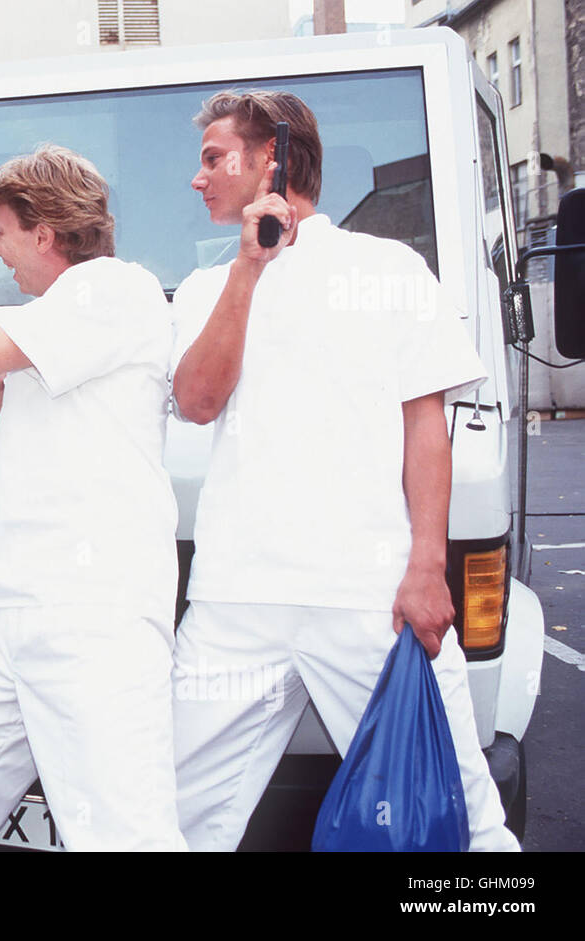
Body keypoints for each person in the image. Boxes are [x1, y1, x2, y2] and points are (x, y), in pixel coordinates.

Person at [169, 89, 520, 851]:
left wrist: (428, 566)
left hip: (368, 599)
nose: (197, 179)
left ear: (275, 158)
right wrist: (246, 271)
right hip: (236, 603)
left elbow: (426, 426)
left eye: (212, 159)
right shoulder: (207, 286)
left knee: (459, 813)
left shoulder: (387, 268)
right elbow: (197, 400)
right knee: (170, 817)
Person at [0, 144, 187, 851]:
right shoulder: (50, 316)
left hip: (93, 618)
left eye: (3, 231)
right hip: (2, 611)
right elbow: (1, 396)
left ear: (45, 233)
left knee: (125, 838)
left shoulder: (115, 287)